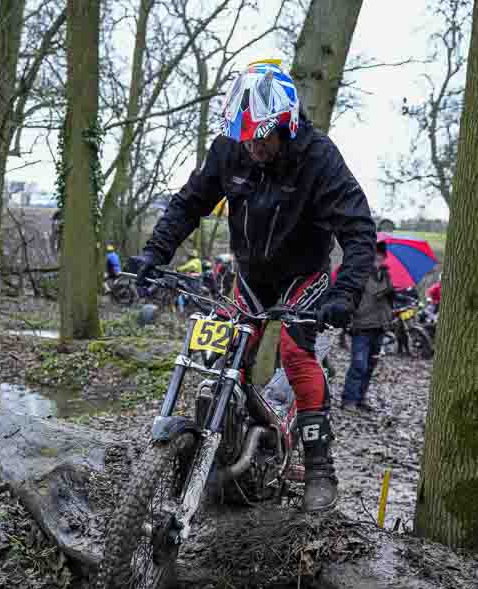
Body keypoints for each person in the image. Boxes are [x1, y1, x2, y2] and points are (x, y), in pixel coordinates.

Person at [130, 60, 376, 512]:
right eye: (246, 138)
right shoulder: (230, 148)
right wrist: (154, 253)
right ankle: (230, 447)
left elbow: (359, 230)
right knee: (226, 354)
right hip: (251, 276)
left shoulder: (319, 157)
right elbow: (190, 202)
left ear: (286, 124)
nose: (254, 148)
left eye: (262, 137)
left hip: (305, 275)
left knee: (296, 354)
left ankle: (320, 467)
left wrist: (345, 294)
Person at [341, 240, 394, 411]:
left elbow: (387, 300)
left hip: (380, 326)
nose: (379, 258)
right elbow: (352, 297)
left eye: (382, 255)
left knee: (370, 366)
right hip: (362, 325)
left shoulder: (386, 276)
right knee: (359, 364)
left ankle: (360, 399)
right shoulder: (361, 274)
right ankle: (348, 401)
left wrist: (391, 294)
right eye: (376, 255)